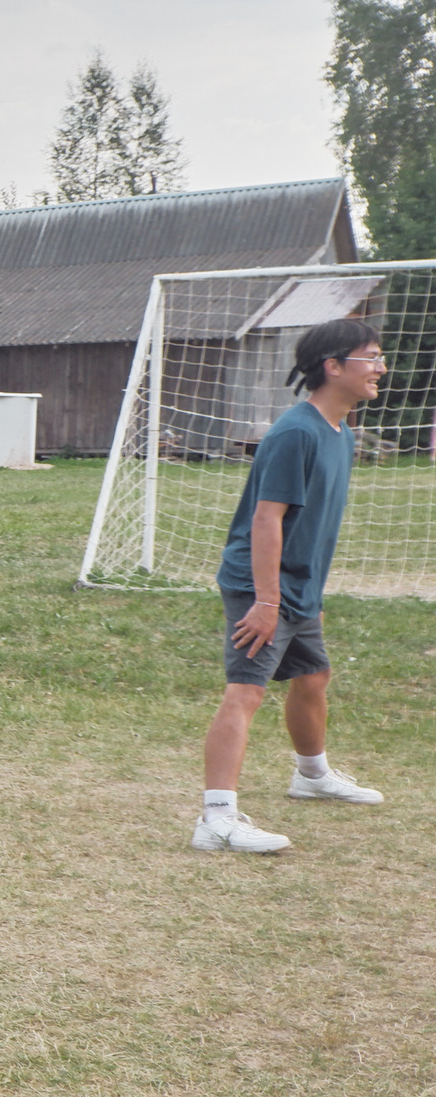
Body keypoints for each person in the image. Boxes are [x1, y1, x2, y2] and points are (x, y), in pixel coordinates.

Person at [193, 318, 387, 852]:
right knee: (246, 691)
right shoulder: (295, 432)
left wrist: (308, 598)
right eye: (371, 357)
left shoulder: (339, 432)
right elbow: (265, 520)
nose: (380, 368)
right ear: (334, 366)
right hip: (260, 586)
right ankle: (215, 819)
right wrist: (267, 601)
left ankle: (311, 775)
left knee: (313, 676)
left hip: (297, 589)